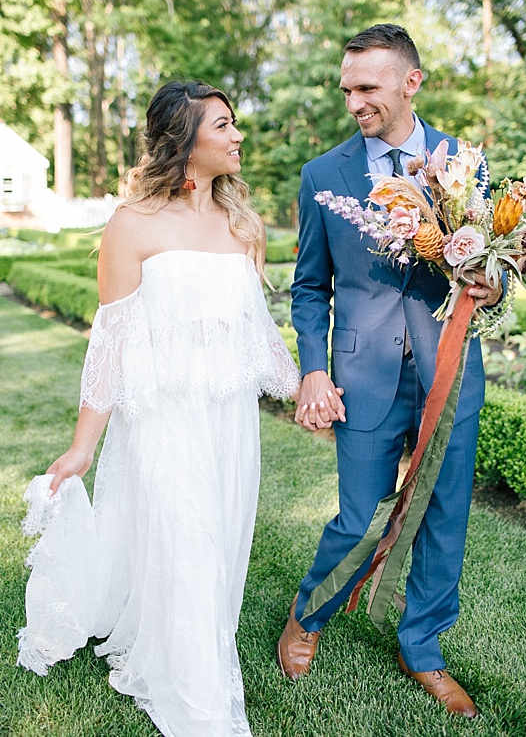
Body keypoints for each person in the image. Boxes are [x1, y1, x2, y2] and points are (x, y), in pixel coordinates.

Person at [18, 80, 300, 736]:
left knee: (220, 543)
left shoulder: (242, 226)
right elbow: (111, 342)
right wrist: (84, 444)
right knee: (189, 542)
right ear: (185, 139)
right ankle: (200, 698)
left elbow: (256, 332)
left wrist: (305, 387)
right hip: (162, 419)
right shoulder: (131, 225)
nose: (238, 137)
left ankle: (186, 637)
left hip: (229, 421)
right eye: (224, 125)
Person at [281, 23, 498, 718]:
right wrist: (313, 370)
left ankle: (423, 648)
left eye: (367, 87)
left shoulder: (466, 163)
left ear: (411, 82)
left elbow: (485, 264)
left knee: (443, 513)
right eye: (347, 89)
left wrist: (493, 283)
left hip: (450, 369)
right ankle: (307, 615)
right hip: (363, 371)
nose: (354, 102)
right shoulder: (323, 175)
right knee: (357, 513)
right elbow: (310, 288)